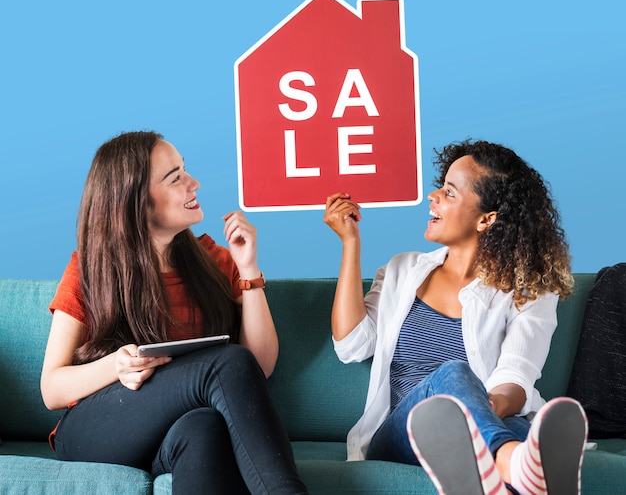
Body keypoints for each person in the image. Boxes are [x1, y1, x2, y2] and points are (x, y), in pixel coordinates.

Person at [40, 131, 308, 495]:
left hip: (174, 434)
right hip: (99, 429)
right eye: (175, 177)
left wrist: (248, 269)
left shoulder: (216, 262)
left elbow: (258, 367)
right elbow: (52, 390)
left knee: (205, 426)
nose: (194, 183)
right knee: (226, 361)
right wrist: (115, 366)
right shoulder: (90, 270)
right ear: (137, 203)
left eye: (186, 170)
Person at [323, 139, 587, 495]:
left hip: (485, 422)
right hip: (404, 432)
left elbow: (516, 376)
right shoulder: (402, 271)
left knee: (524, 438)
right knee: (453, 375)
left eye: (449, 193)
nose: (432, 197)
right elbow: (351, 345)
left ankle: (511, 470)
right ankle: (511, 462)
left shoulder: (529, 289)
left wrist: (476, 407)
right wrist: (350, 243)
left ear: (486, 219)